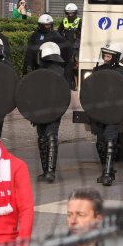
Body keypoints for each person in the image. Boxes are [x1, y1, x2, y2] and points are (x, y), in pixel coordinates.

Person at [92, 43, 123, 186]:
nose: (106, 57)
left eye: (109, 55)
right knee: (100, 144)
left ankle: (108, 175)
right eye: (105, 55)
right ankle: (106, 170)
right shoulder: (97, 70)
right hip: (99, 113)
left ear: (116, 57)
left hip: (114, 113)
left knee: (110, 141)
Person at [32, 42, 67, 183]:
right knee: (43, 137)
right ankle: (46, 171)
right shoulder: (53, 69)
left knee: (50, 136)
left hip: (51, 110)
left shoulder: (55, 70)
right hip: (45, 110)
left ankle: (50, 172)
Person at [57, 3, 82, 90]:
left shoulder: (79, 21)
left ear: (75, 13)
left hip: (76, 47)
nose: (70, 15)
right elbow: (58, 32)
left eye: (72, 13)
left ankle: (78, 85)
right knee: (67, 66)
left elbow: (84, 33)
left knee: (77, 66)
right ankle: (68, 85)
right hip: (67, 48)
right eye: (68, 13)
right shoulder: (64, 21)